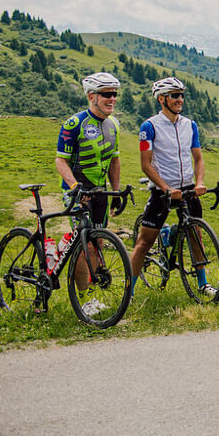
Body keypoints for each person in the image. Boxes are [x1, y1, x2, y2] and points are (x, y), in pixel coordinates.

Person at [131, 77, 219, 297]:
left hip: (188, 188)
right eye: (174, 95)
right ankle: (128, 290)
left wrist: (199, 182)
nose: (180, 99)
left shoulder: (190, 125)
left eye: (181, 95)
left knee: (195, 234)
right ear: (162, 99)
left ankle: (203, 283)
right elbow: (146, 164)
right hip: (162, 191)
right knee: (144, 242)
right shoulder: (149, 126)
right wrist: (165, 188)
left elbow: (198, 158)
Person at [55, 72, 123, 316]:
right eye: (107, 94)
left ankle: (93, 295)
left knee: (99, 242)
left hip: (99, 192)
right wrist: (74, 187)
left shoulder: (113, 124)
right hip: (77, 192)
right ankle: (84, 300)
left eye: (114, 94)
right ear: (92, 96)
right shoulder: (74, 124)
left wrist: (116, 192)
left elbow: (115, 161)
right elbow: (60, 162)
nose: (112, 99)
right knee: (84, 245)